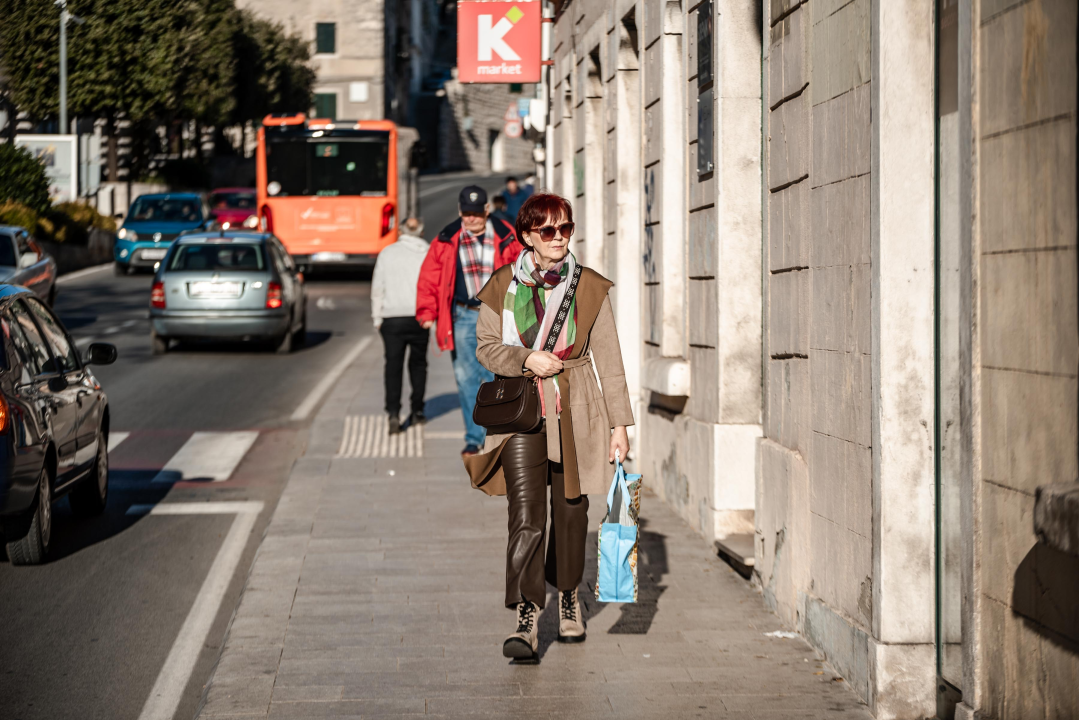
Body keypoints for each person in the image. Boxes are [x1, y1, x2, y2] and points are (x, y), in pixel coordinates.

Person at [464, 192, 634, 659]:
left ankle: (568, 597)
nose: (559, 238)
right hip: (520, 414)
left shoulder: (589, 287)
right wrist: (526, 359)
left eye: (566, 228)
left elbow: (610, 361)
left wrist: (620, 425)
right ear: (527, 236)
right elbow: (485, 348)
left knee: (572, 510)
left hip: (576, 409)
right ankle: (526, 615)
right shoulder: (502, 285)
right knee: (526, 515)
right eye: (548, 230)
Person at [415, 186, 522, 456]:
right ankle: (474, 438)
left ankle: (496, 434)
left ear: (486, 210)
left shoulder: (507, 235)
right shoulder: (446, 238)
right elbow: (430, 276)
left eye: (476, 212)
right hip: (462, 315)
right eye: (466, 213)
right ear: (459, 211)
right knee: (465, 378)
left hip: (497, 314)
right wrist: (427, 312)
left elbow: (523, 271)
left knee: (495, 376)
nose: (471, 218)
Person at [372, 217, 430, 434]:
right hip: (419, 317)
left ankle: (393, 413)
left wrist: (377, 318)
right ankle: (417, 410)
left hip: (392, 318)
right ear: (421, 232)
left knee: (393, 366)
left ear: (400, 232)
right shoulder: (427, 252)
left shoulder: (387, 253)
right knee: (418, 365)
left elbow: (378, 288)